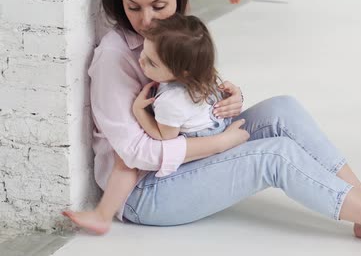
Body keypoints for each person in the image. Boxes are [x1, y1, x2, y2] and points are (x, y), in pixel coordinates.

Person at [62, 0, 361, 253]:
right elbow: (134, 154)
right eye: (133, 8)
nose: (146, 19)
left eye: (159, 6)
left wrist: (227, 99)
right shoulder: (115, 57)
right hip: (147, 192)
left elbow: (192, 92)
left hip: (184, 156)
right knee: (272, 155)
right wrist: (219, 143)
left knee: (283, 109)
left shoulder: (176, 36)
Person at [63, 13, 242, 234]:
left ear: (180, 72)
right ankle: (102, 215)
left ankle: (103, 215)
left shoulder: (171, 101)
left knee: (124, 158)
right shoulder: (196, 74)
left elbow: (164, 136)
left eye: (151, 62)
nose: (141, 61)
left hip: (202, 137)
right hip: (214, 124)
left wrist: (138, 112)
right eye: (143, 53)